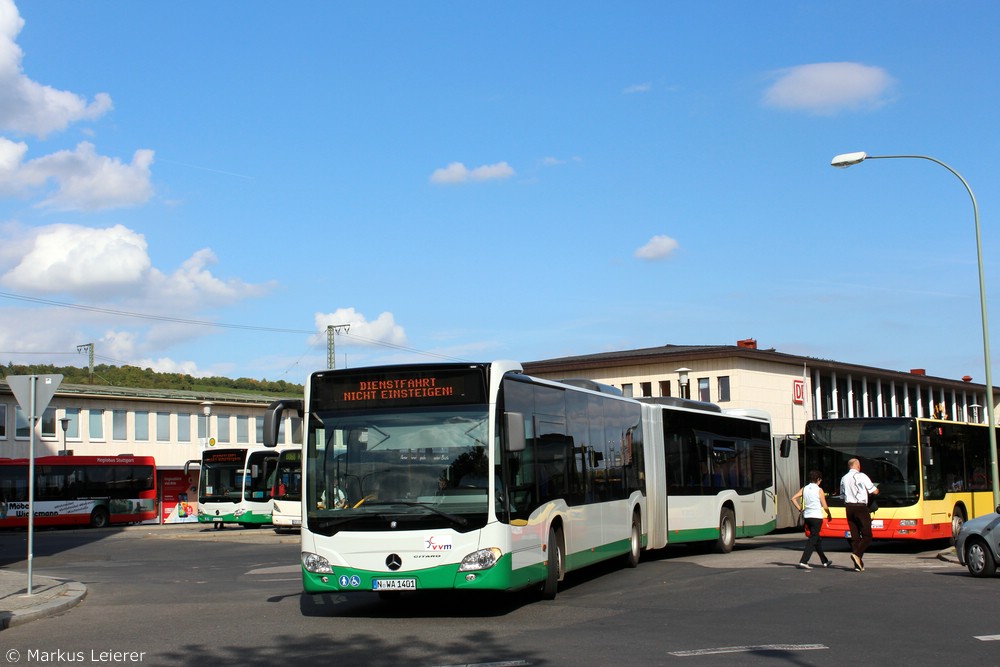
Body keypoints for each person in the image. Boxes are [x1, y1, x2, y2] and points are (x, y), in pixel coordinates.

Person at [840, 458, 879, 571]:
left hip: (848, 507)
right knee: (867, 535)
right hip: (861, 507)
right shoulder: (862, 476)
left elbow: (842, 496)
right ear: (858, 466)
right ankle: (857, 554)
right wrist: (877, 490)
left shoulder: (843, 478)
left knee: (855, 536)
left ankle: (858, 564)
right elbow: (874, 491)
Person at [791, 470, 833, 570]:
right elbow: (825, 506)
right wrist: (829, 514)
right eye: (820, 480)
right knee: (813, 539)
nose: (820, 481)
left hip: (807, 517)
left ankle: (825, 561)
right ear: (818, 479)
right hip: (817, 517)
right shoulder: (819, 490)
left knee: (816, 539)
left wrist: (800, 509)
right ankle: (804, 561)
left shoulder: (804, 488)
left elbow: (793, 498)